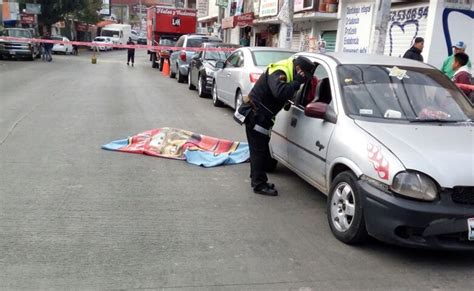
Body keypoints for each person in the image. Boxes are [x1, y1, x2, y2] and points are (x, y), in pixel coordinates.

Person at [234, 56, 316, 196]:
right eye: (303, 76)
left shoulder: (288, 71)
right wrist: (296, 83)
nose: (303, 80)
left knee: (260, 150)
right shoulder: (280, 71)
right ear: (298, 70)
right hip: (255, 115)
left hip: (262, 116)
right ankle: (259, 185)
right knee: (259, 151)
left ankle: (257, 179)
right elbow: (279, 92)